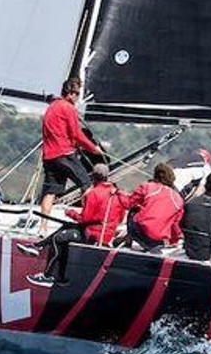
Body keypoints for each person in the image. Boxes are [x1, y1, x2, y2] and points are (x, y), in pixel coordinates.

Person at [25, 163, 124, 287]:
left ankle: (47, 275)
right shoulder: (117, 194)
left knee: (58, 238)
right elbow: (120, 218)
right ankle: (42, 251)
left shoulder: (93, 193)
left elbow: (83, 219)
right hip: (105, 235)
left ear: (93, 177)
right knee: (66, 228)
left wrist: (70, 212)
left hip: (93, 236)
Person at [38, 77, 107, 224]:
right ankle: (86, 222)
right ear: (70, 93)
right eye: (76, 94)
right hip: (64, 153)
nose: (77, 98)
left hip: (49, 156)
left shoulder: (52, 106)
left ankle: (42, 228)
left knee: (51, 191)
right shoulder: (68, 108)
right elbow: (76, 134)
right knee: (86, 184)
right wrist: (94, 149)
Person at [124, 163, 185, 252]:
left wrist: (118, 193)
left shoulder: (147, 186)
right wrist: (177, 238)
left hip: (140, 232)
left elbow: (129, 203)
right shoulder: (178, 198)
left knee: (133, 210)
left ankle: (128, 240)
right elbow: (175, 224)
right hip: (158, 240)